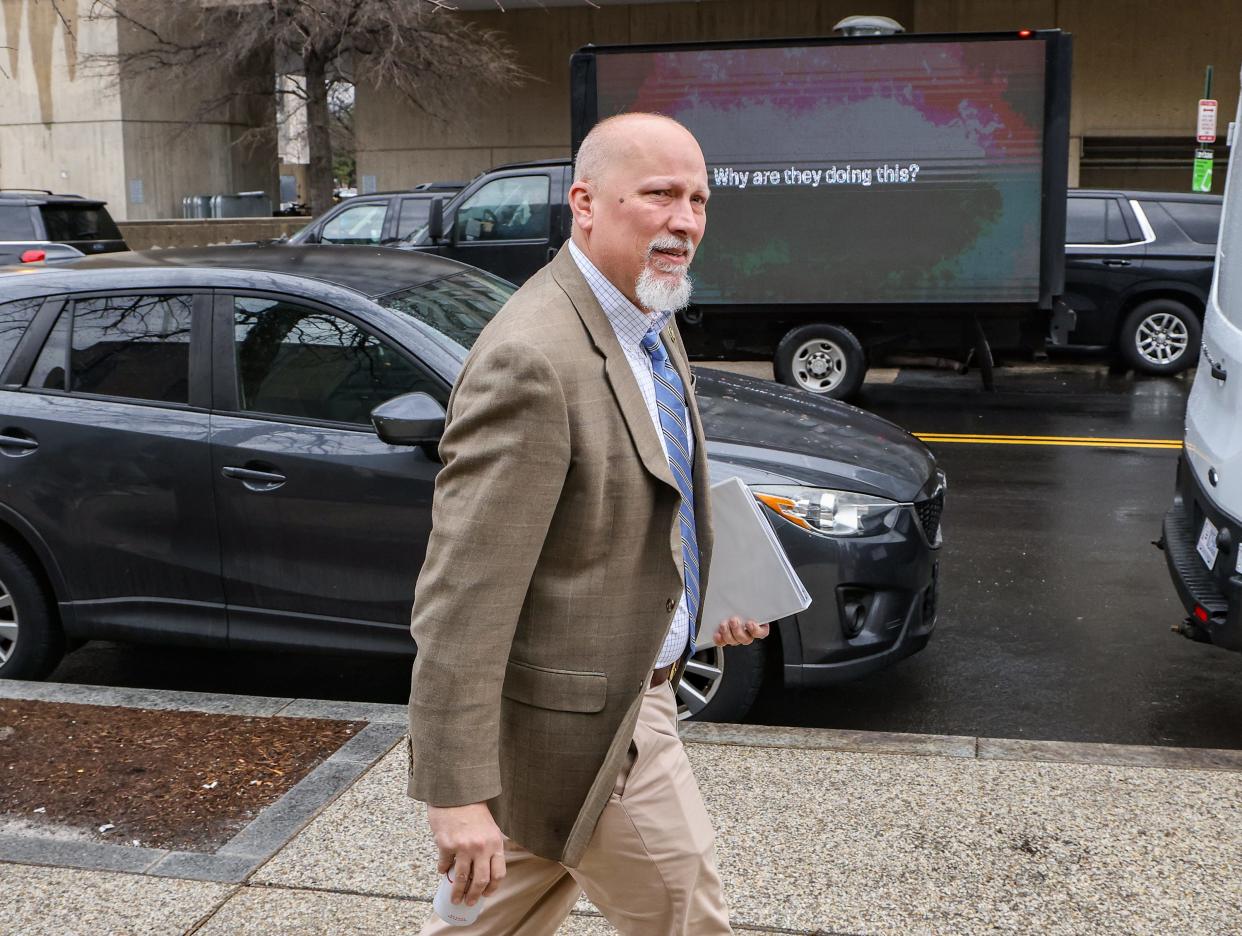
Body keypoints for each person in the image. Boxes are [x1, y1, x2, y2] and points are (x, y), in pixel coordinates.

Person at [407, 112, 769, 935]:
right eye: (660, 195)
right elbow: (463, 592)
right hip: (601, 733)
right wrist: (456, 793)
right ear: (585, 202)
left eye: (699, 200)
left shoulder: (648, 315)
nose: (685, 220)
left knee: (489, 919)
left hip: (593, 709)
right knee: (690, 920)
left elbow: (642, 501)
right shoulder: (532, 357)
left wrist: (706, 599)